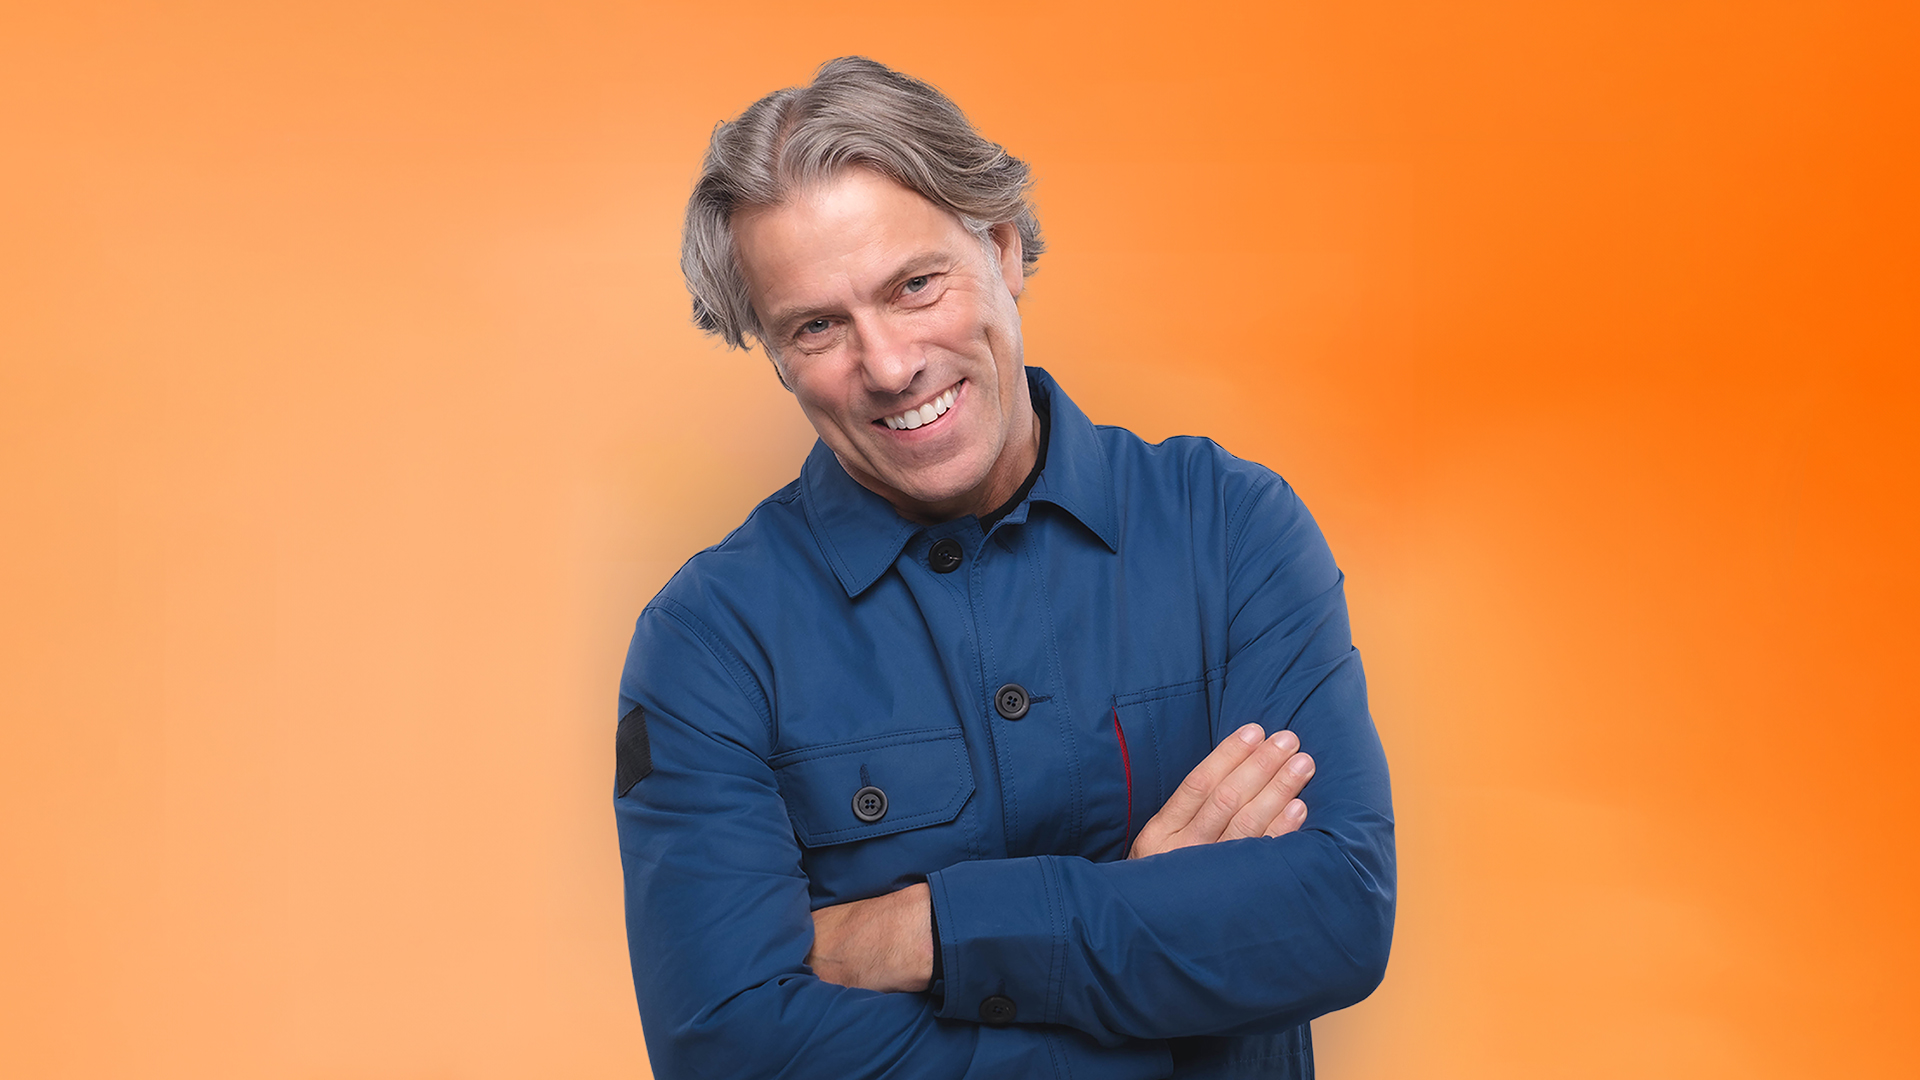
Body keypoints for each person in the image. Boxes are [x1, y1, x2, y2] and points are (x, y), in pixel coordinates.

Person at [614, 56, 1395, 1079]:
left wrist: (931, 930)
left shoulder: (1230, 527)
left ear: (1003, 246)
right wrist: (1156, 955)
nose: (890, 365)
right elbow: (728, 1051)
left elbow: (1334, 917)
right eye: (818, 326)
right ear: (771, 351)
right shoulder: (708, 645)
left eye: (915, 285)